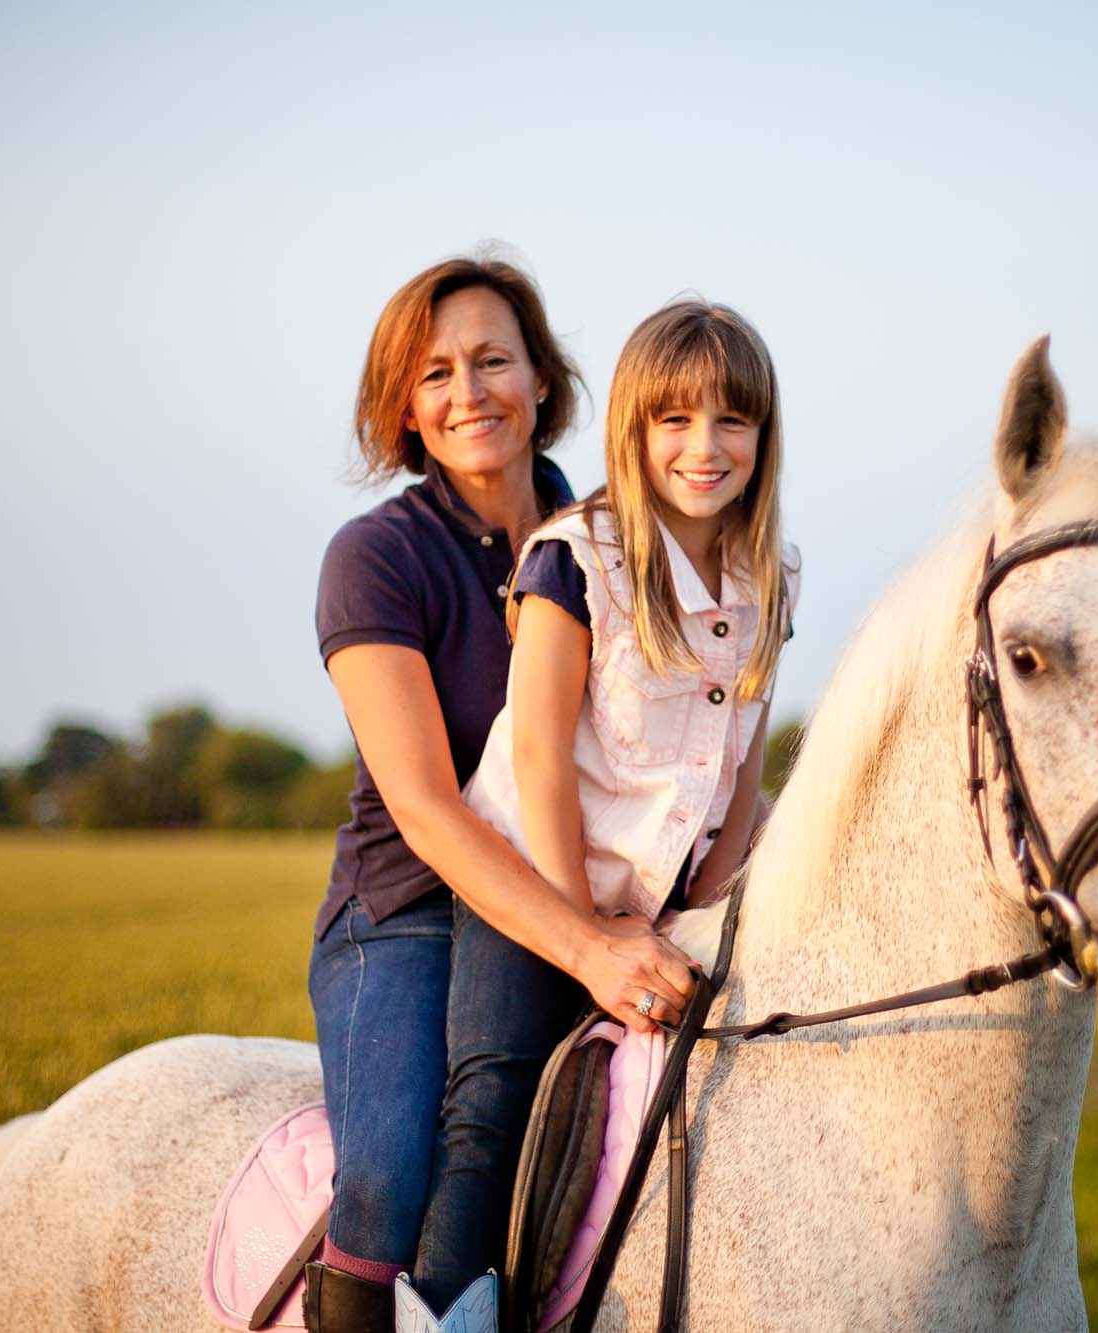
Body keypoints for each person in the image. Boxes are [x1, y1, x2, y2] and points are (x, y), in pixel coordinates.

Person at [306, 256, 699, 1333]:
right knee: (390, 1179)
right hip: (408, 907)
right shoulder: (375, 558)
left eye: (491, 360)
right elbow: (432, 812)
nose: (466, 391)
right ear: (403, 406)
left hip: (576, 872)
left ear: (541, 378)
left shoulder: (612, 536)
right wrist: (586, 946)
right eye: (433, 373)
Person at [464, 300, 797, 1002]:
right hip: (535, 886)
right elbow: (539, 756)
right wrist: (581, 932)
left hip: (666, 898)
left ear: (763, 437)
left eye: (731, 421)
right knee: (494, 1090)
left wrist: (701, 913)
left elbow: (742, 766)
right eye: (675, 420)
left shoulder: (772, 578)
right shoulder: (575, 560)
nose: (705, 448)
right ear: (632, 431)